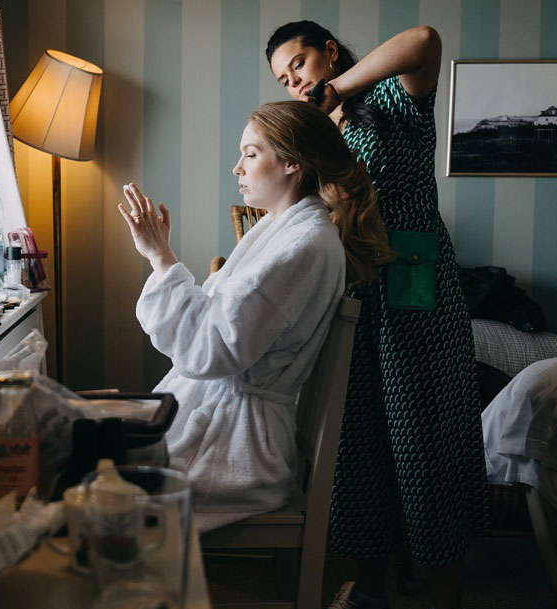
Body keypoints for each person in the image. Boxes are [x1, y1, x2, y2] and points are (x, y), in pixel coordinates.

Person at [266, 20, 491, 609]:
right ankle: (365, 594)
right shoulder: (319, 137)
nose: (296, 80)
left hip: (417, 294)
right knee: (353, 447)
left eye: (299, 62)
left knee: (430, 445)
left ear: (329, 51)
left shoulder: (391, 102)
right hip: (352, 297)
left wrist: (337, 88)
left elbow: (423, 39)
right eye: (283, 78)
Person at [117, 102, 390, 531]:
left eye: (250, 153)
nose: (236, 168)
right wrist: (161, 258)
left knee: (92, 486)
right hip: (222, 416)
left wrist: (162, 258)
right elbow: (216, 326)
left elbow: (212, 350)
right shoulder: (281, 229)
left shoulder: (304, 245)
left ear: (292, 163)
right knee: (87, 445)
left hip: (236, 447)